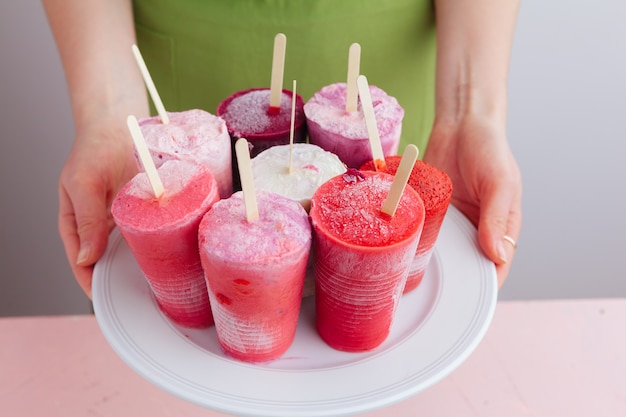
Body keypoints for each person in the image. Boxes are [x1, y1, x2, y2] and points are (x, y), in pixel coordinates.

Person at [43, 0, 522, 298]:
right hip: (183, 54)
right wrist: (107, 116)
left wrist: (467, 112)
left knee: (374, 208)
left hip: (389, 41)